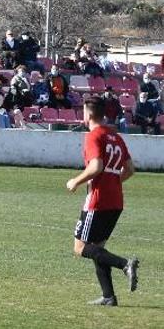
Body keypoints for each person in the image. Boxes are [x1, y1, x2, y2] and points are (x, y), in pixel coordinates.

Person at [66, 97, 139, 306]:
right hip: (116, 201)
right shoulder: (115, 137)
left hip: (98, 201)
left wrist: (76, 182)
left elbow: (96, 166)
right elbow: (130, 169)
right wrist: (113, 182)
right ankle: (109, 297)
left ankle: (125, 264)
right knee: (98, 247)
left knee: (80, 248)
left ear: (88, 114)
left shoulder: (93, 136)